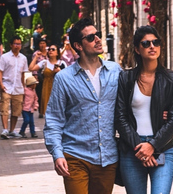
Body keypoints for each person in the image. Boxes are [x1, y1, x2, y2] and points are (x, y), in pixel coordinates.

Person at [44, 17, 122, 194]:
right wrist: (57, 154)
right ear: (78, 45)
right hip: (75, 156)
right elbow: (54, 119)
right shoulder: (64, 78)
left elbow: (131, 103)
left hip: (107, 158)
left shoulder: (115, 71)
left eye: (98, 35)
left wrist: (159, 112)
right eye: (91, 37)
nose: (98, 39)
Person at [115, 26, 173, 194]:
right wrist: (141, 148)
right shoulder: (126, 78)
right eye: (146, 43)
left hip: (162, 147)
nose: (152, 46)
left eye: (156, 42)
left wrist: (152, 145)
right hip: (132, 150)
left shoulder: (171, 78)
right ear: (137, 49)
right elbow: (120, 117)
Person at [0, 36, 29, 139]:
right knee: (4, 108)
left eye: (19, 44)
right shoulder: (5, 57)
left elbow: (23, 74)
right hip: (6, 86)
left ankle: (12, 130)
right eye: (15, 44)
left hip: (18, 88)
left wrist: (24, 87)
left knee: (16, 110)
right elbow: (0, 71)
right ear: (11, 45)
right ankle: (5, 129)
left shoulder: (23, 58)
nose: (17, 46)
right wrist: (1, 84)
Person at [30, 42, 67, 117]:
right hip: (46, 88)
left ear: (57, 53)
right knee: (48, 112)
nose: (50, 51)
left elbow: (67, 77)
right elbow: (31, 68)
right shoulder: (44, 62)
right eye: (49, 49)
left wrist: (60, 71)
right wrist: (36, 57)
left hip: (58, 88)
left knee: (58, 111)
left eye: (53, 49)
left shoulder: (62, 63)